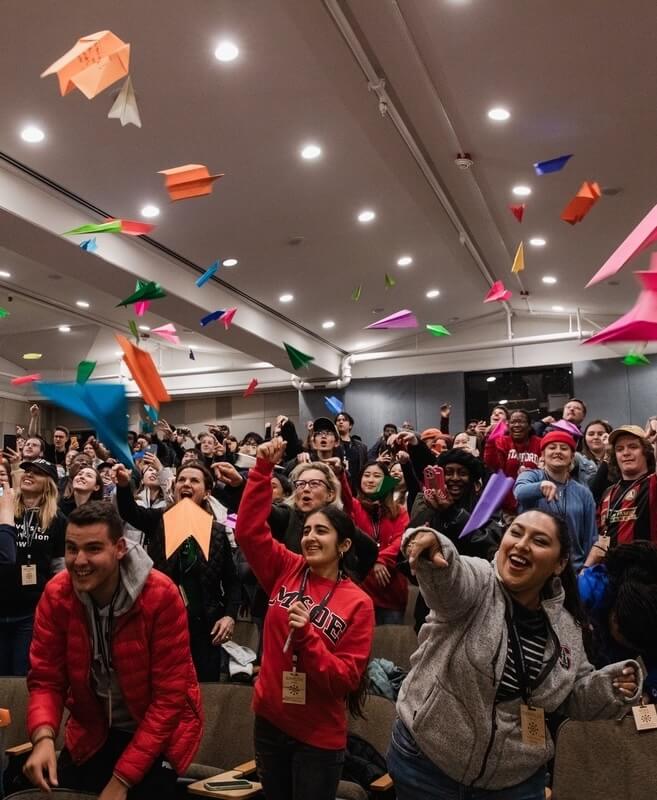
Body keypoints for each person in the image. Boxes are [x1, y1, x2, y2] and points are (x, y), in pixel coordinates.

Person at [387, 510, 641, 799]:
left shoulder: (569, 629)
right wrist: (435, 546)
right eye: (516, 533)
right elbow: (451, 578)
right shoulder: (479, 583)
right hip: (427, 766)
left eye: (539, 541)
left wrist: (607, 687)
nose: (522, 544)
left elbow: (569, 698)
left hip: (515, 781)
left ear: (559, 564)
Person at [22, 502, 202, 799]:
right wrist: (42, 737)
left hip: (158, 733)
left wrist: (122, 780)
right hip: (93, 732)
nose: (79, 560)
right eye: (71, 548)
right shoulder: (57, 594)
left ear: (119, 548)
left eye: (93, 549)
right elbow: (46, 679)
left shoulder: (162, 596)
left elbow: (168, 700)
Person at [235, 437, 374, 800]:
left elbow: (344, 680)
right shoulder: (287, 567)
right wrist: (261, 472)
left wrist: (308, 638)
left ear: (343, 545)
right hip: (269, 722)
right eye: (308, 530)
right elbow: (248, 533)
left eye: (322, 531)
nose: (310, 538)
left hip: (317, 736)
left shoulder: (358, 603)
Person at [114, 461, 240, 681]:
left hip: (205, 626)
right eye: (181, 480)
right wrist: (124, 486)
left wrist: (229, 615)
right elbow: (129, 512)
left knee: (204, 687)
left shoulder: (218, 532)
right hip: (163, 623)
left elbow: (232, 580)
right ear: (174, 489)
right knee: (164, 683)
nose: (186, 484)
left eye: (194, 480)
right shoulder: (158, 520)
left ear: (207, 492)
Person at [0, 459, 67, 675]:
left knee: (20, 674)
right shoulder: (5, 509)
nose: (28, 474)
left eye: (37, 473)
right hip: (2, 602)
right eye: (27, 470)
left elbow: (59, 566)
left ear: (49, 483)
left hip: (31, 610)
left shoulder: (57, 520)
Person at [579, 540, 657, 703]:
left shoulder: (649, 610)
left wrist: (651, 691)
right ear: (614, 617)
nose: (631, 647)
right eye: (627, 640)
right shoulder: (589, 591)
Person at [514, 432, 597, 572]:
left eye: (564, 448)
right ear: (543, 454)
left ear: (572, 457)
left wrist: (586, 569)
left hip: (573, 569)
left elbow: (591, 536)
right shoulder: (531, 476)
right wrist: (539, 487)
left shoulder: (583, 493)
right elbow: (520, 493)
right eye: (552, 447)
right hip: (534, 565)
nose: (558, 451)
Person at [341, 461, 409, 625]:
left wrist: (381, 559)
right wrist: (340, 474)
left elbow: (402, 540)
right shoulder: (355, 507)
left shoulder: (399, 511)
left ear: (386, 481)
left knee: (389, 646)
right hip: (360, 589)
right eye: (366, 475)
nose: (370, 480)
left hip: (391, 591)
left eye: (377, 476)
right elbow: (344, 497)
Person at [586, 426, 657, 569]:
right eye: (619, 449)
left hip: (646, 577)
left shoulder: (653, 484)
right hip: (612, 577)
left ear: (646, 452)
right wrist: (585, 569)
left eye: (633, 447)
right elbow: (601, 537)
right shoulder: (609, 492)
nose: (625, 453)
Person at [484, 409, 542, 513]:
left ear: (529, 426)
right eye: (513, 422)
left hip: (536, 507)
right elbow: (492, 464)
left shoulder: (539, 443)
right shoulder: (502, 442)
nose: (516, 425)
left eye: (521, 421)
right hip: (510, 509)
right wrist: (491, 441)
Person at [335, 412, 368, 492]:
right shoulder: (332, 444)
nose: (341, 422)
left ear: (350, 425)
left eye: (344, 420)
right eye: (338, 420)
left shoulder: (361, 446)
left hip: (356, 487)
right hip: (338, 486)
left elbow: (365, 466)